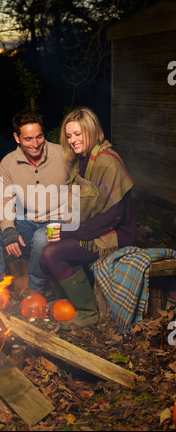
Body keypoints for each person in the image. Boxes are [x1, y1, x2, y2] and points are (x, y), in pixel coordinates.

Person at [39, 107, 136, 328]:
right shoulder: (82, 161)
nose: (73, 140)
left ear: (91, 131)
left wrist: (67, 232)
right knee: (45, 253)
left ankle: (88, 311)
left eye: (78, 134)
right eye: (69, 135)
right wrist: (61, 224)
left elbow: (113, 217)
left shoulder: (108, 162)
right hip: (90, 228)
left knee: (51, 253)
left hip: (115, 234)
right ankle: (66, 301)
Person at [0, 110, 71, 293]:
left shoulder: (63, 155)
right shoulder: (8, 163)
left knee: (40, 238)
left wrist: (72, 221)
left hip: (59, 221)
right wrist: (8, 229)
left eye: (39, 137)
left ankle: (35, 290)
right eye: (28, 139)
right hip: (29, 221)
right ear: (17, 138)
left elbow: (81, 186)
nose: (35, 144)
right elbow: (5, 200)